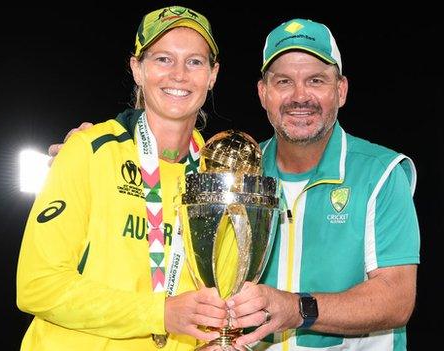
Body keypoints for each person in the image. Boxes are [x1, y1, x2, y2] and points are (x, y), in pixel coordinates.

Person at [51, 17, 420, 351]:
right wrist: (100, 151)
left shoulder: (382, 173)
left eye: (316, 80)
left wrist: (295, 308)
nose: (299, 96)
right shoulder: (233, 168)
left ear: (341, 90)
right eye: (283, 82)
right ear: (263, 93)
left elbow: (397, 299)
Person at [16, 6, 229, 351]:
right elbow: (37, 285)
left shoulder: (218, 175)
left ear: (212, 74)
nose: (179, 74)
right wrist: (158, 313)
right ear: (137, 69)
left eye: (194, 62)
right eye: (162, 59)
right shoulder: (88, 150)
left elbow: (218, 293)